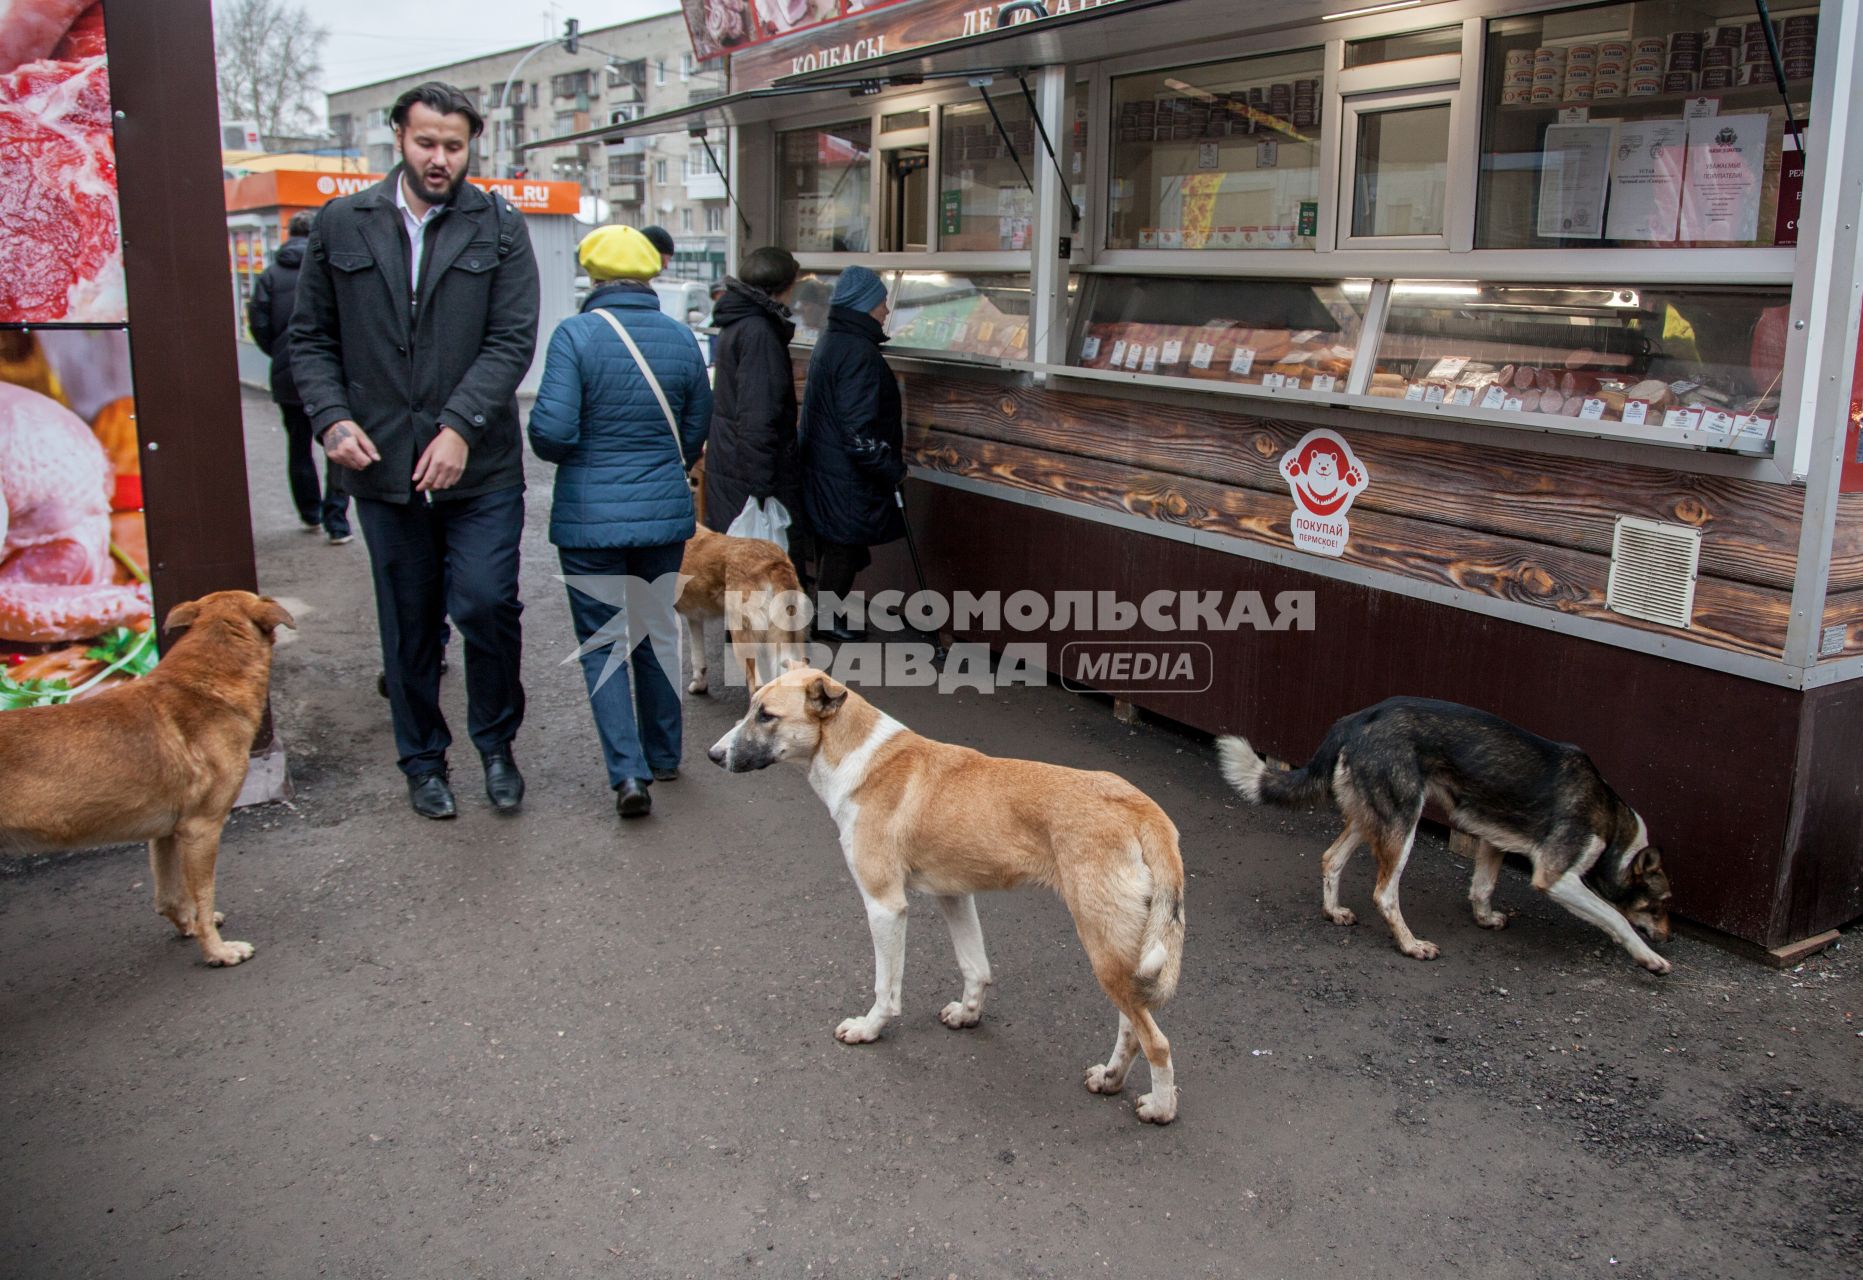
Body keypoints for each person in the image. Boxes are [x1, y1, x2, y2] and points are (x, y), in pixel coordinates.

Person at [291, 81, 540, 821]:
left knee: (487, 603)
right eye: (426, 142)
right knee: (408, 618)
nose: (439, 159)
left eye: (454, 146)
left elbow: (511, 339)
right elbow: (309, 339)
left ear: (471, 148)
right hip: (381, 467)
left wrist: (460, 426)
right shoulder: (343, 223)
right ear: (398, 136)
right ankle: (422, 760)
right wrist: (332, 421)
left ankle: (496, 745)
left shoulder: (497, 225)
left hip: (480, 463)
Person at [528, 225, 711, 820]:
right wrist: (660, 466)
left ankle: (628, 773)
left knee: (606, 642)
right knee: (656, 629)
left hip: (590, 520)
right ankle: (665, 753)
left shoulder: (575, 336)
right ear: (650, 274)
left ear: (594, 276)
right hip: (662, 515)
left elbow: (552, 434)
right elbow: (695, 427)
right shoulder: (682, 338)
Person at [798, 265, 905, 642]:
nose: (885, 311)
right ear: (863, 306)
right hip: (844, 471)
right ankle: (825, 620)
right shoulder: (858, 352)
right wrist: (890, 466)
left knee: (835, 542)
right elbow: (858, 429)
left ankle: (824, 616)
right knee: (843, 544)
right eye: (880, 304)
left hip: (826, 465)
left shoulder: (835, 339)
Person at [246, 210, 352, 544]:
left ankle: (310, 513)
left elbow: (258, 325)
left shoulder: (269, 276)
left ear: (289, 234)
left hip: (287, 375)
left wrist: (279, 355)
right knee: (339, 439)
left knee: (299, 446)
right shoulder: (330, 269)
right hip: (332, 375)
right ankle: (337, 521)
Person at [703, 247, 805, 555]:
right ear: (786, 286)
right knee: (764, 575)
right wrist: (762, 490)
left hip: (730, 465)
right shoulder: (759, 331)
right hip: (748, 478)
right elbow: (757, 417)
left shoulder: (738, 322)